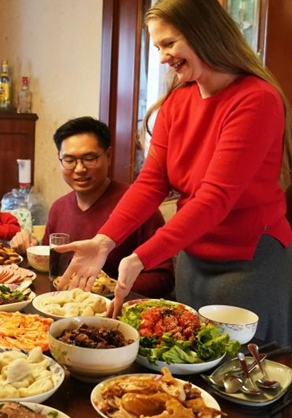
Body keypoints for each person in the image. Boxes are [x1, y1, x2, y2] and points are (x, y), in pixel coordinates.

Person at [56, 0, 292, 350]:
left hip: (248, 262)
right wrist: (105, 241)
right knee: (188, 360)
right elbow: (151, 182)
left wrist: (142, 256)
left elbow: (214, 199)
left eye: (169, 44)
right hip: (192, 256)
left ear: (203, 32)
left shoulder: (256, 99)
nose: (162, 57)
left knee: (244, 373)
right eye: (157, 47)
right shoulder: (178, 101)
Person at [10, 117, 174, 298]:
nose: (79, 169)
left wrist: (107, 288)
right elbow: (54, 268)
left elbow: (163, 278)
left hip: (116, 314)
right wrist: (28, 247)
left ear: (108, 156)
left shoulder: (138, 205)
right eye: (70, 160)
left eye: (89, 158)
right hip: (63, 308)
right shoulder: (59, 208)